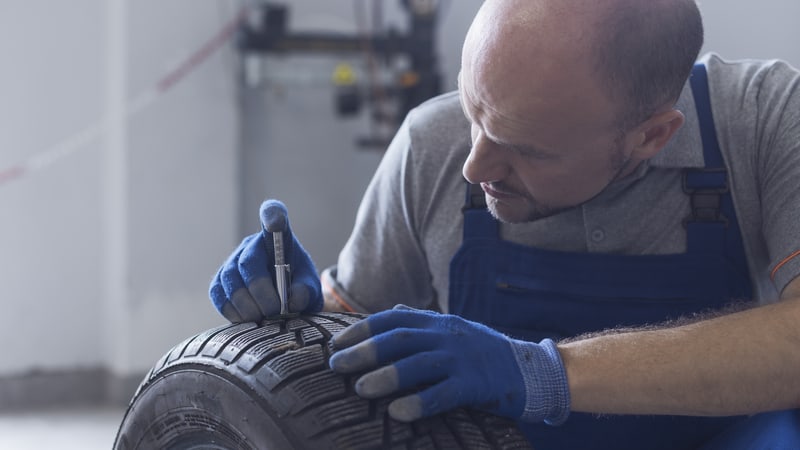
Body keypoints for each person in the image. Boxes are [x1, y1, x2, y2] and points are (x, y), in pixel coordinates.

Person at [209, 0, 800, 448]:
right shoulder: (430, 143)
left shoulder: (764, 120)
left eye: (526, 149)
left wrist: (544, 373)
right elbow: (350, 328)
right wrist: (297, 323)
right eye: (473, 112)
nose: (475, 165)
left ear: (650, 136)